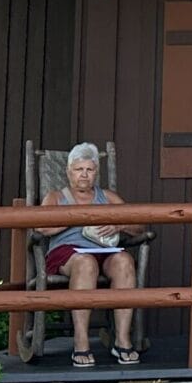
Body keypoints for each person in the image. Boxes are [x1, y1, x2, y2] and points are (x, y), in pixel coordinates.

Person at [47, 142, 140, 367]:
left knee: (124, 261)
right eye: (79, 169)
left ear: (96, 173)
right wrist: (77, 218)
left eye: (89, 170)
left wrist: (118, 226)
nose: (84, 175)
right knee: (86, 263)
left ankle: (122, 340)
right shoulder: (56, 197)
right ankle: (81, 343)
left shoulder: (107, 196)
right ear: (69, 171)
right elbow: (41, 228)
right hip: (68, 253)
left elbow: (139, 223)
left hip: (104, 250)